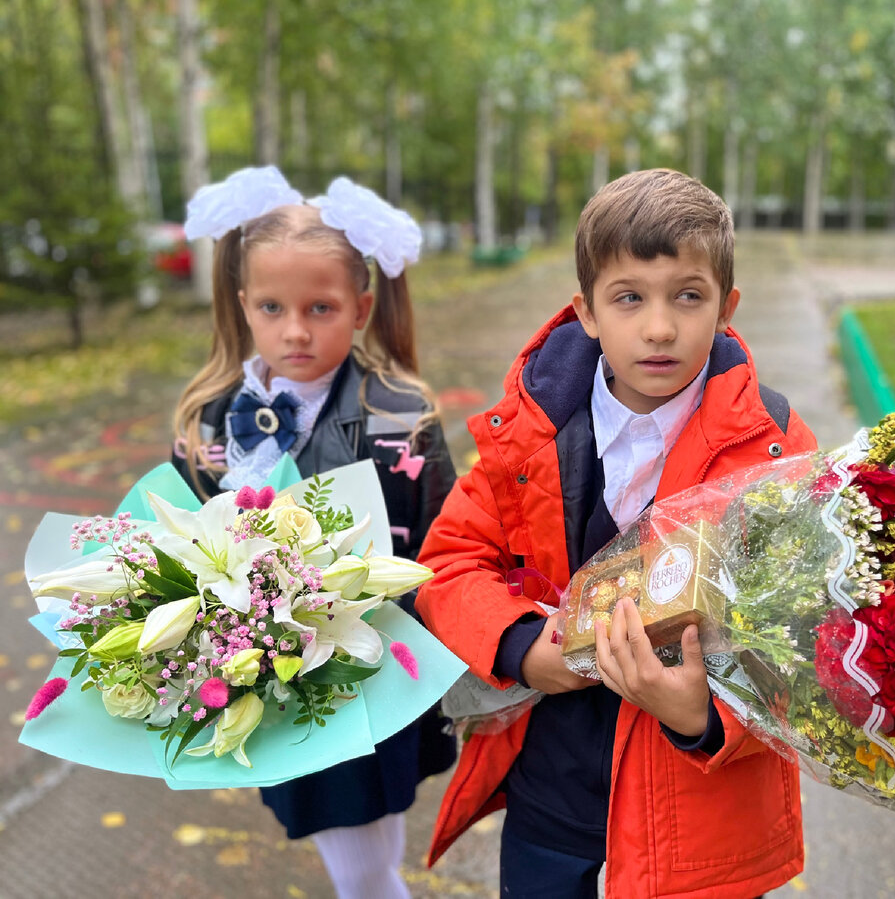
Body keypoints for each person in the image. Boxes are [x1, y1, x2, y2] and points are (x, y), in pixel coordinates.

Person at [416, 169, 815, 898]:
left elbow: (802, 636)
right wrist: (517, 645)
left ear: (726, 308)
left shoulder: (774, 448)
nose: (659, 327)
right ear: (587, 312)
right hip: (554, 784)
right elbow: (449, 562)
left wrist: (703, 715)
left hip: (698, 802)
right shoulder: (529, 431)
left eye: (687, 297)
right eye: (630, 297)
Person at [171, 166, 457, 899]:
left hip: (369, 671)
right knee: (345, 840)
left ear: (361, 307)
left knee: (362, 843)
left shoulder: (400, 418)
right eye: (272, 306)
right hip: (264, 676)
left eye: (320, 307)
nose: (295, 329)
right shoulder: (208, 419)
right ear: (242, 305)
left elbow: (447, 543)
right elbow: (178, 539)